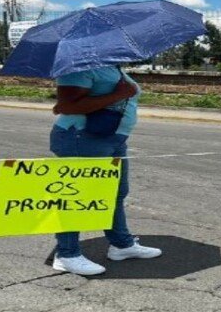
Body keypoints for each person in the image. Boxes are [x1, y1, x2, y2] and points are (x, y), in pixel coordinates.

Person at [47, 65, 161, 276]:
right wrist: (119, 94)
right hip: (81, 138)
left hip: (112, 139)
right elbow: (66, 106)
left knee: (115, 193)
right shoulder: (78, 66)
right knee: (76, 197)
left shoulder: (109, 64)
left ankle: (121, 245)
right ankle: (67, 254)